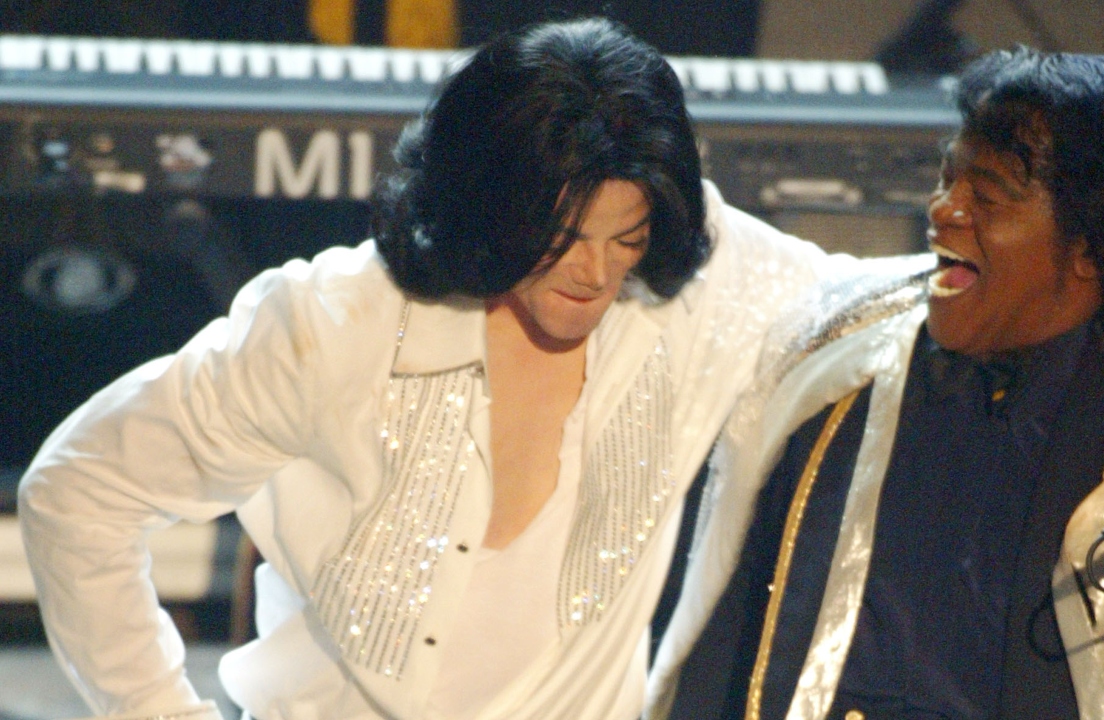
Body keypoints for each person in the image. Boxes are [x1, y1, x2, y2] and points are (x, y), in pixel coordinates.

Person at [18, 17, 842, 720]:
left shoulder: (687, 291)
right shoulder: (332, 327)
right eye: (561, 238)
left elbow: (876, 308)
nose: (596, 274)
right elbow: (78, 491)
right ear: (489, 207)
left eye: (624, 240)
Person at [647, 47, 1104, 719]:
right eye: (946, 180)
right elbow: (731, 641)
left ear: (1094, 242)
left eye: (985, 195)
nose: (943, 210)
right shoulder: (843, 353)